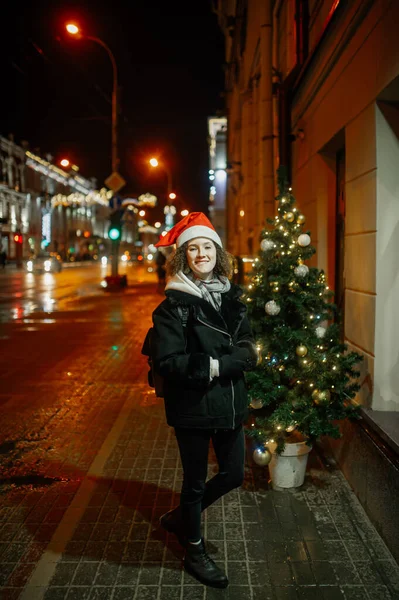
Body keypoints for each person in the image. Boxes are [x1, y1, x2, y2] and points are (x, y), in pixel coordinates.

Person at [150, 212, 257, 589]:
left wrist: (245, 351)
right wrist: (218, 365)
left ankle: (181, 518)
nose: (201, 254)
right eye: (192, 248)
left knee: (232, 474)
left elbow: (245, 335)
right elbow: (168, 361)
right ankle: (193, 548)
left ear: (217, 252)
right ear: (183, 257)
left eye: (206, 246)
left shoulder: (232, 295)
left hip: (230, 403)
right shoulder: (173, 306)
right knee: (195, 482)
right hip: (194, 407)